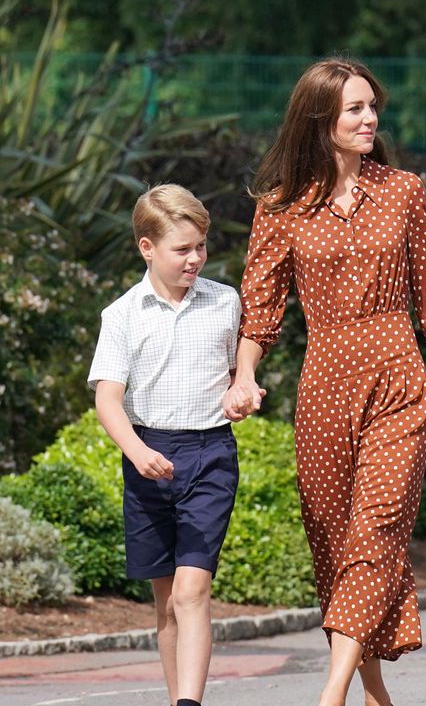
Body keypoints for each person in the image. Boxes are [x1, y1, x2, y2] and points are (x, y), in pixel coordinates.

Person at [223, 57, 426, 706]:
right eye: (355, 108)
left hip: (397, 380)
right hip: (323, 388)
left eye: (373, 106)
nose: (370, 117)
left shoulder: (403, 191)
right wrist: (244, 376)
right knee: (335, 544)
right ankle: (377, 694)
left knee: (376, 531)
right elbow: (261, 306)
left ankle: (332, 694)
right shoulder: (281, 206)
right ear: (321, 118)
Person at [89, 184, 244, 706]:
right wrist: (137, 451)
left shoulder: (225, 302)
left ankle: (189, 704)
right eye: (183, 249)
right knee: (166, 604)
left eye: (201, 246)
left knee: (191, 590)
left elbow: (234, 375)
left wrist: (242, 392)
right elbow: (109, 400)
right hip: (147, 455)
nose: (196, 258)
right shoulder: (122, 314)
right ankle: (177, 697)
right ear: (146, 248)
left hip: (210, 455)